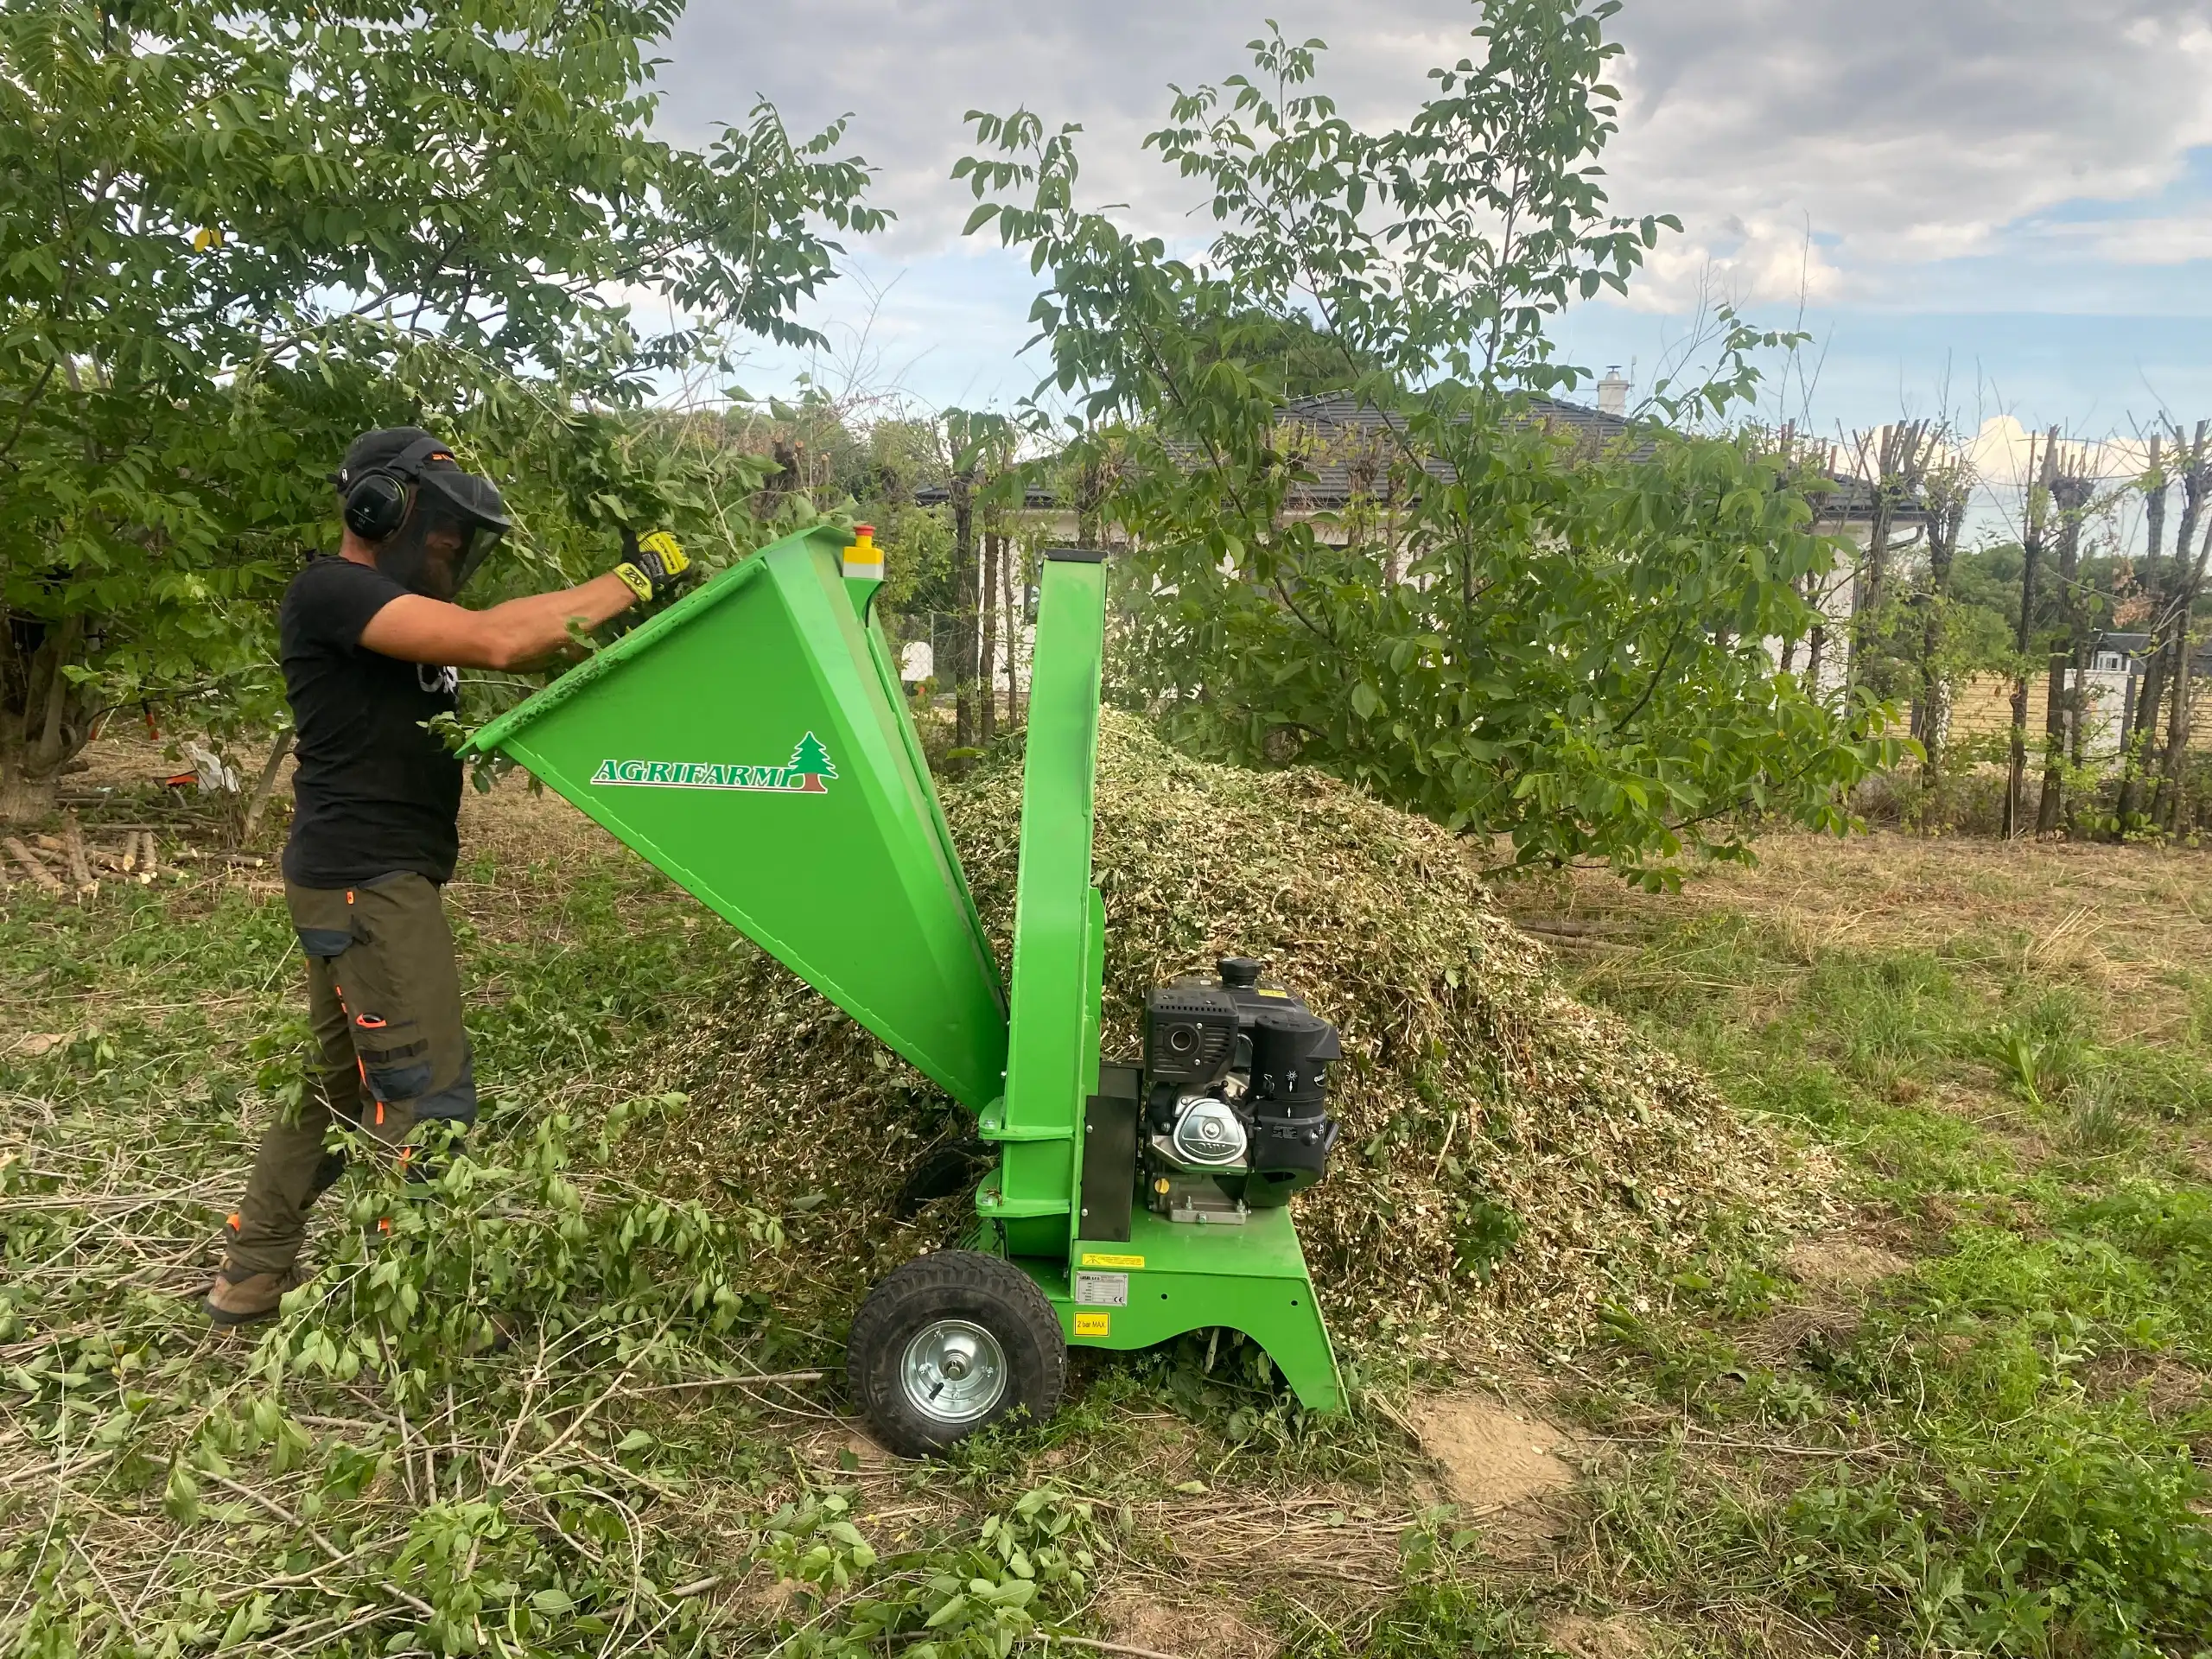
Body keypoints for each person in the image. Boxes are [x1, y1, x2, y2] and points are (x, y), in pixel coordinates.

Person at [205, 426, 691, 1325]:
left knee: (336, 1084)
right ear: (379, 508)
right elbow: (502, 641)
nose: (453, 552)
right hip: (368, 880)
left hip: (353, 876)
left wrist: (627, 608)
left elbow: (532, 640)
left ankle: (252, 1272)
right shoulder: (334, 591)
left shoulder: (395, 610)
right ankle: (410, 1309)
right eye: (440, 535)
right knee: (427, 1094)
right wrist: (638, 576)